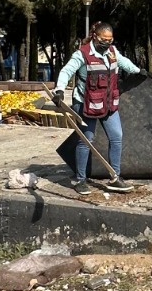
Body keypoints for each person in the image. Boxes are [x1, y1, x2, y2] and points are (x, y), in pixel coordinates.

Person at [54, 20, 141, 194]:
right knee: (86, 141)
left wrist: (139, 72)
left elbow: (126, 64)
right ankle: (80, 180)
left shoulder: (113, 52)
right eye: (103, 40)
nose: (107, 43)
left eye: (110, 40)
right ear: (95, 36)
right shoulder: (82, 54)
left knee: (116, 137)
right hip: (85, 103)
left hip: (108, 103)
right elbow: (66, 71)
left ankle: (115, 177)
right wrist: (59, 90)